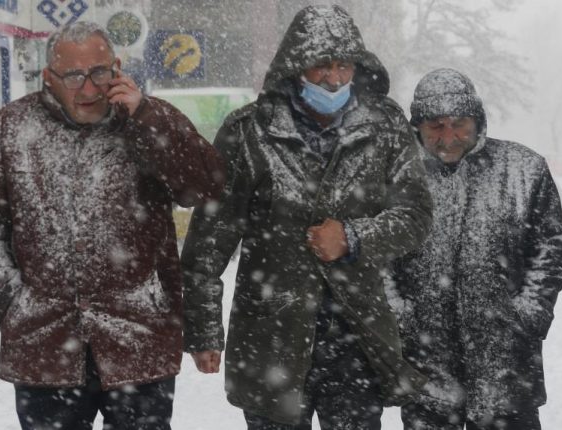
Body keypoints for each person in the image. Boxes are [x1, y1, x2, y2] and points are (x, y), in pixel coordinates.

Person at [0, 21, 224, 430]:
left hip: (138, 338)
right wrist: (10, 301)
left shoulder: (147, 119)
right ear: (49, 78)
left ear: (117, 68)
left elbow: (206, 187)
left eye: (100, 72)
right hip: (44, 344)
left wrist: (147, 118)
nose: (88, 88)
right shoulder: (10, 129)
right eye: (74, 76)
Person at [180, 5, 433, 429]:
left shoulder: (385, 125)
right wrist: (204, 329)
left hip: (357, 336)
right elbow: (210, 241)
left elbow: (415, 216)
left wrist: (353, 237)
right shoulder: (249, 131)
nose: (334, 79)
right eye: (320, 66)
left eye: (344, 66)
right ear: (295, 66)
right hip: (270, 337)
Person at [388, 68, 562, 430]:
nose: (448, 137)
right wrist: (400, 317)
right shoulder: (396, 178)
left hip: (508, 374)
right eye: (435, 126)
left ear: (478, 120)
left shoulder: (524, 169)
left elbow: (550, 255)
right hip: (428, 377)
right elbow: (379, 260)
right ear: (417, 127)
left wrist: (526, 317)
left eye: (459, 124)